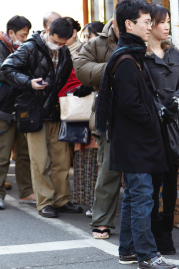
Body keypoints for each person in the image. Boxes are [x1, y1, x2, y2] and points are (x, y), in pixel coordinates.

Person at [94, 0, 173, 269]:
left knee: (134, 197)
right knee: (142, 197)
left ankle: (127, 251)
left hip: (132, 140)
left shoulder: (130, 53)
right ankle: (148, 255)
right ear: (129, 24)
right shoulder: (127, 59)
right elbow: (130, 104)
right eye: (146, 22)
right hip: (136, 141)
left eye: (152, 22)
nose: (150, 27)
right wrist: (153, 119)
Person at [1, 16, 80, 218]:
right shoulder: (29, 47)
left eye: (64, 43)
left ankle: (61, 200)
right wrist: (29, 82)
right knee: (40, 160)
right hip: (34, 111)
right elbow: (6, 68)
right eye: (57, 41)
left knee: (61, 159)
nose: (59, 46)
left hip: (55, 110)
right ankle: (45, 202)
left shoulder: (64, 51)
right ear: (47, 31)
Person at [144, 5, 179, 255]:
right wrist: (158, 106)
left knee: (171, 179)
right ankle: (154, 231)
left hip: (175, 126)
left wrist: (178, 101)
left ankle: (167, 233)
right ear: (150, 25)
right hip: (153, 127)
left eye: (168, 22)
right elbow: (141, 91)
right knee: (154, 182)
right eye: (162, 22)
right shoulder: (141, 55)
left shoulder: (174, 53)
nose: (166, 26)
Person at [75, 18, 120, 239]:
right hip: (108, 114)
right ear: (116, 21)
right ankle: (101, 220)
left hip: (140, 114)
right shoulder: (96, 44)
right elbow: (82, 70)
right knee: (108, 169)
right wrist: (117, 64)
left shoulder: (147, 39)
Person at [0, 15, 35, 210]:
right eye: (22, 35)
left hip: (23, 108)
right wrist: (22, 71)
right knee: (2, 154)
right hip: (3, 107)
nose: (25, 39)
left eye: (27, 35)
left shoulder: (27, 45)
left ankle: (25, 192)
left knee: (24, 154)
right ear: (11, 33)